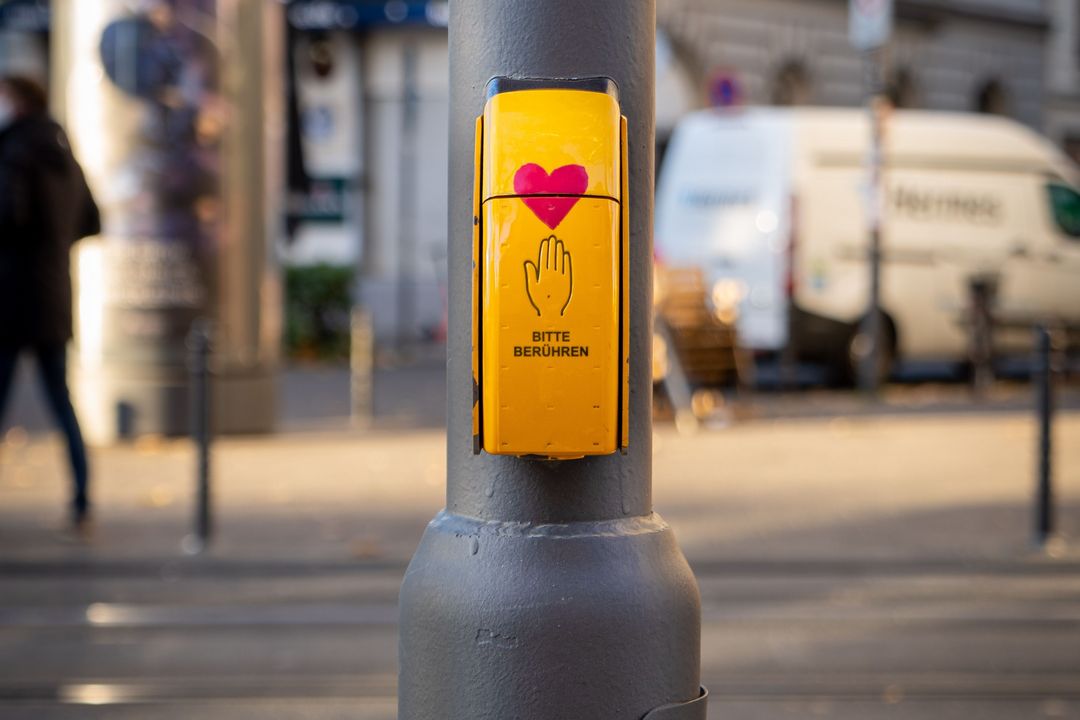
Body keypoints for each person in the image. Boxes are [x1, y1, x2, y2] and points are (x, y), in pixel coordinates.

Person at [0, 75, 100, 537]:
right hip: (55, 293)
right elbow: (91, 218)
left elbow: (9, 216)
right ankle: (82, 500)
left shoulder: (16, 152)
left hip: (12, 294)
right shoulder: (63, 152)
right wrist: (53, 246)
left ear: (16, 102)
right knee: (62, 402)